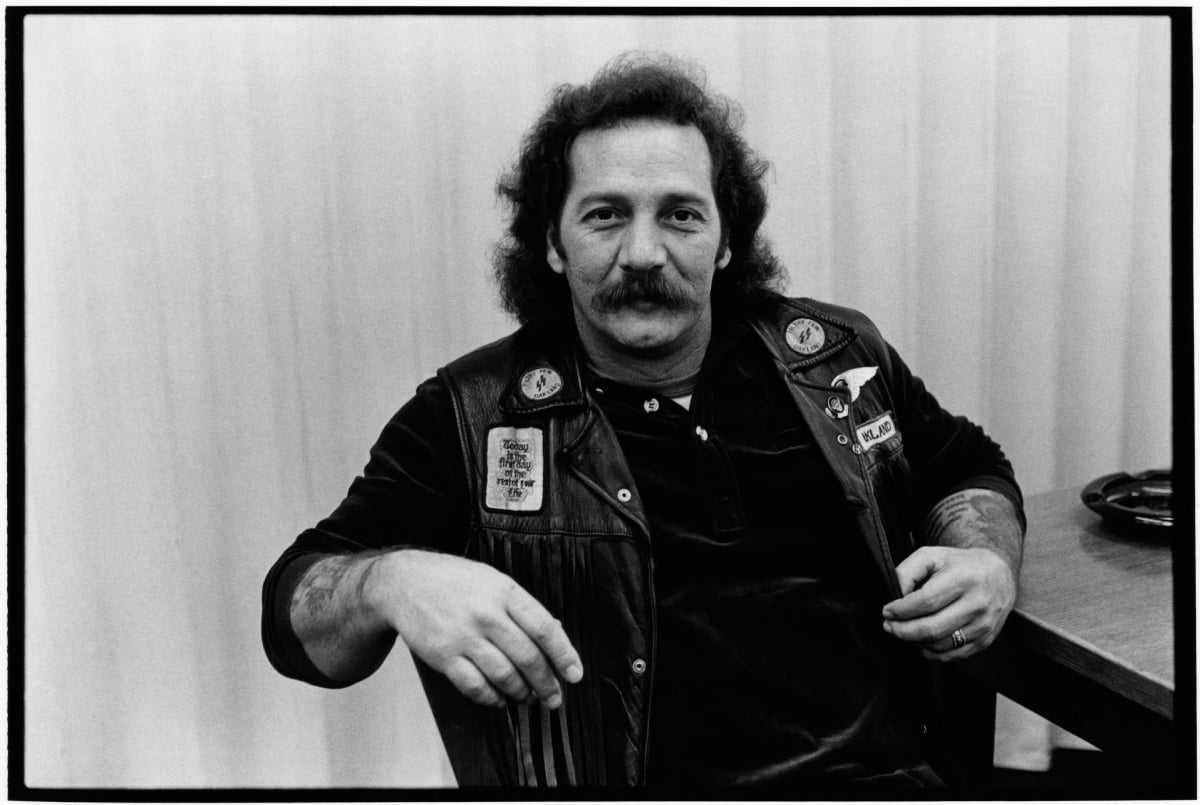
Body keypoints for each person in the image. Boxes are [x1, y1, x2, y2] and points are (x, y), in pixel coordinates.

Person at [262, 53, 1025, 792]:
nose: (644, 252)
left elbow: (967, 466)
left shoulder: (834, 357)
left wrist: (984, 557)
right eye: (605, 216)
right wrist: (386, 580)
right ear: (554, 244)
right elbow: (295, 624)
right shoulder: (471, 414)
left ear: (727, 240)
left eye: (681, 215)